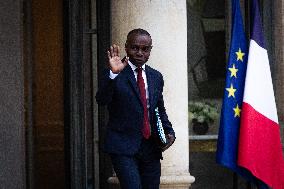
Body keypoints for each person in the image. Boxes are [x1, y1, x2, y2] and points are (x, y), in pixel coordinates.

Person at [96, 28, 175, 189]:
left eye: (145, 49)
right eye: (135, 48)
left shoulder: (156, 76)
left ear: (150, 51)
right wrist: (113, 75)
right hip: (123, 146)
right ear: (126, 47)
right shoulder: (114, 73)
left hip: (150, 147)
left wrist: (169, 132)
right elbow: (102, 100)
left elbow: (158, 109)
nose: (139, 53)